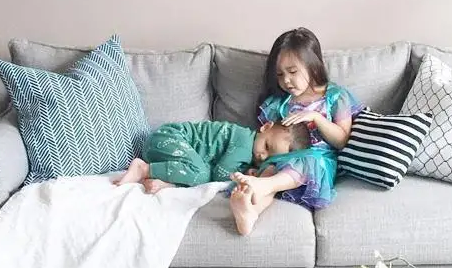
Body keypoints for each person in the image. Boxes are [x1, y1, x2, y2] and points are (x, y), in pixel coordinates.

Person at [229, 27, 363, 236]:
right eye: (280, 74)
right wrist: (256, 167)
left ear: (313, 66)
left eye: (292, 72)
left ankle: (264, 185)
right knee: (269, 170)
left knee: (302, 163)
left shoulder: (335, 96)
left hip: (318, 162)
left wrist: (316, 117)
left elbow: (342, 140)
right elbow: (266, 140)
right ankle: (250, 212)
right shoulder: (280, 103)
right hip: (281, 161)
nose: (286, 81)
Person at [115, 119, 310, 193]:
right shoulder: (244, 141)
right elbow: (220, 174)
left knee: (199, 172)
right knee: (202, 174)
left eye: (268, 157)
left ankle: (164, 180)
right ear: (265, 127)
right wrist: (247, 175)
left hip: (167, 153)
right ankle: (144, 168)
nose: (261, 155)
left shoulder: (250, 153)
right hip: (168, 138)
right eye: (266, 146)